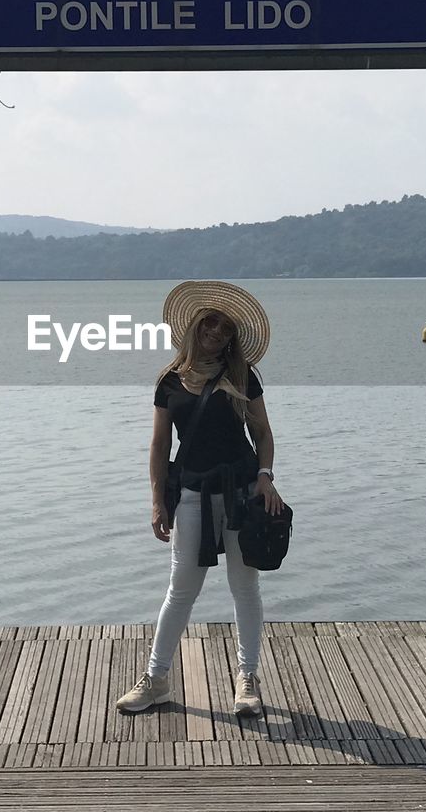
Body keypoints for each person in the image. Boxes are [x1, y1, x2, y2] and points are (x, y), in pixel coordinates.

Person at [115, 280, 284, 717]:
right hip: (190, 495)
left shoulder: (243, 376)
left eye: (225, 327)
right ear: (193, 325)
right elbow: (158, 446)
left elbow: (262, 433)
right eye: (209, 322)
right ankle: (156, 679)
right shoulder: (169, 381)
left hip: (243, 493)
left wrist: (266, 476)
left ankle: (247, 680)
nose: (216, 331)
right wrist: (157, 501)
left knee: (244, 587)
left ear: (232, 337)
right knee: (181, 590)